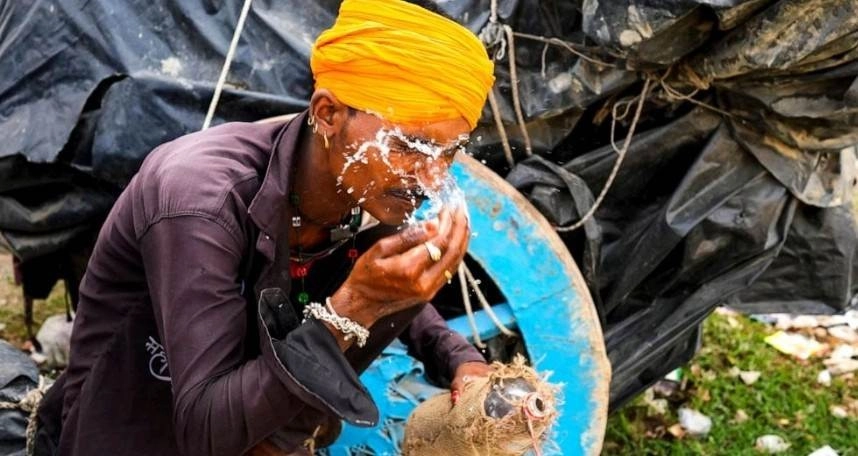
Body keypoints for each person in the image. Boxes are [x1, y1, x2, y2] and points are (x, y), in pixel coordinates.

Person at [33, 0, 497, 455]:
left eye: (449, 152)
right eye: (409, 145)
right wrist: (355, 307)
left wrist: (458, 358)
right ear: (328, 114)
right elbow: (206, 432)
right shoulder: (200, 200)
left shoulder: (355, 187)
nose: (433, 177)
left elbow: (378, 275)